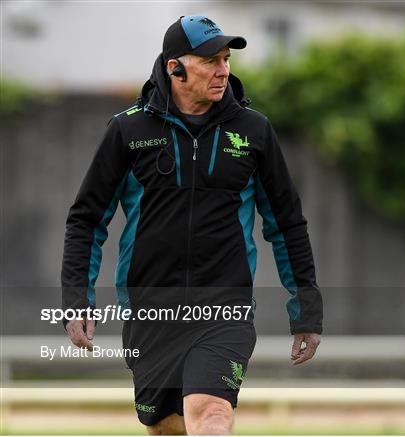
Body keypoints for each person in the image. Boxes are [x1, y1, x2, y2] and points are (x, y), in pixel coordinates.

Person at [61, 15, 323, 435]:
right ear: (174, 68)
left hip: (225, 308)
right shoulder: (128, 130)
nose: (223, 71)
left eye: (226, 59)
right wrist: (77, 297)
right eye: (210, 61)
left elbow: (287, 223)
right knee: (166, 426)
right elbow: (87, 221)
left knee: (211, 413)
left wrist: (306, 307)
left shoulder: (254, 132)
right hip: (150, 311)